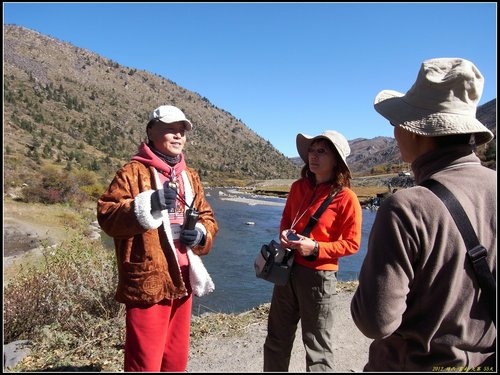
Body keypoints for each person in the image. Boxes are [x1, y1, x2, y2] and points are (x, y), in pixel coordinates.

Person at [350, 58, 496, 371]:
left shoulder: (407, 207)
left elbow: (375, 322)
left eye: (398, 122)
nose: (394, 130)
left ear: (419, 132)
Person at [97, 104, 218, 372]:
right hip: (147, 280)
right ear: (151, 132)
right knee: (145, 361)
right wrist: (147, 203)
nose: (178, 136)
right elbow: (107, 215)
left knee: (175, 356)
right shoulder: (131, 173)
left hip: (184, 276)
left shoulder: (190, 176)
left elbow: (208, 217)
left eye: (182, 131)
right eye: (170, 130)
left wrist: (199, 233)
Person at [263, 130, 362, 371]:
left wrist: (316, 247)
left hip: (319, 277)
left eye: (322, 151)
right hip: (287, 271)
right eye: (311, 150)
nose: (313, 156)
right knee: (277, 338)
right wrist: (285, 234)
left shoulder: (347, 198)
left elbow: (352, 243)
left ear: (336, 160)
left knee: (317, 347)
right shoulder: (298, 187)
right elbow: (286, 220)